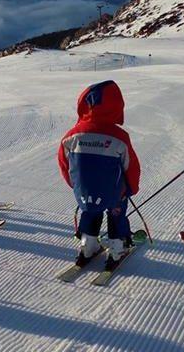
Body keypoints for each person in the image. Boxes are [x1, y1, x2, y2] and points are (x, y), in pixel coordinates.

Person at [58, 80, 141, 270]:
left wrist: (76, 186)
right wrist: (130, 189)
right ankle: (117, 247)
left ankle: (88, 244)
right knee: (117, 212)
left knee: (90, 210)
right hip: (114, 193)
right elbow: (131, 167)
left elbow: (64, 163)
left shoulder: (72, 135)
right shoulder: (119, 137)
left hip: (85, 191)